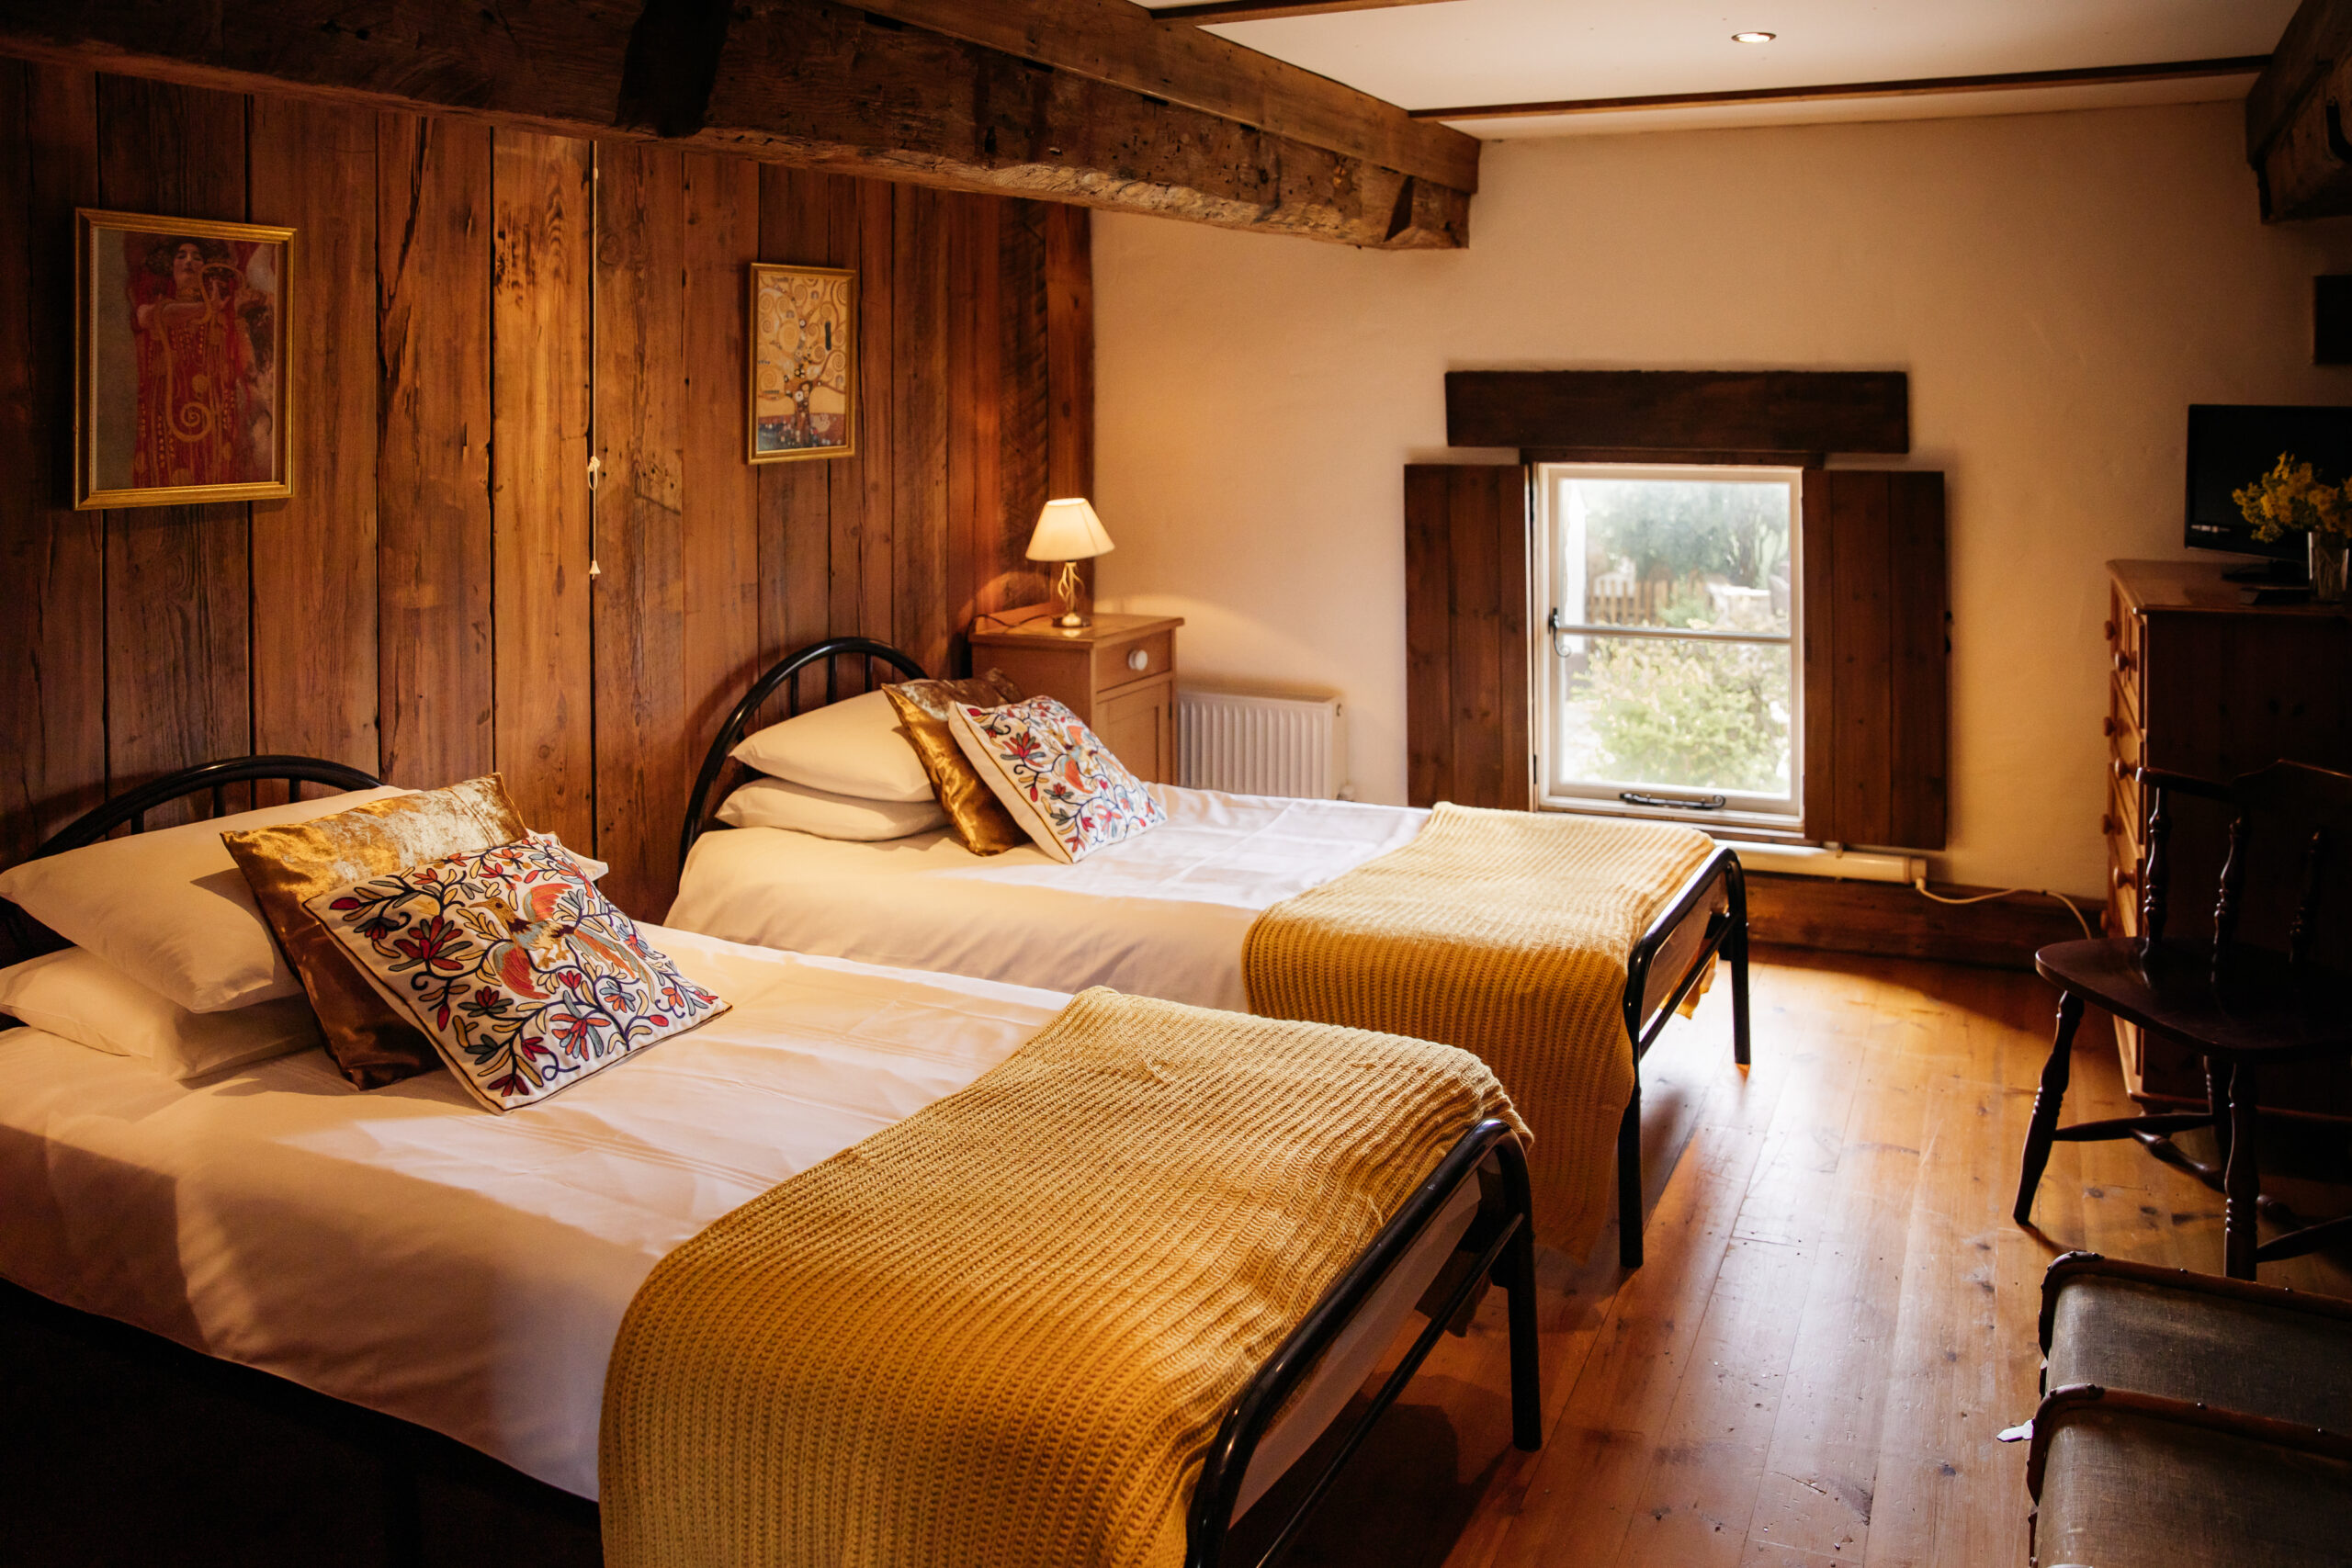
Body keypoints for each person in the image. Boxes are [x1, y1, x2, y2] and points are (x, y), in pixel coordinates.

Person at [128, 233, 261, 488]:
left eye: (197, 257)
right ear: (170, 265)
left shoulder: (223, 313)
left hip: (214, 413)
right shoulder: (156, 306)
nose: (189, 261)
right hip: (166, 414)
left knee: (214, 465)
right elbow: (152, 317)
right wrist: (207, 308)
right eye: (181, 256)